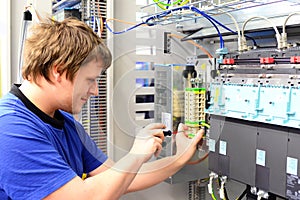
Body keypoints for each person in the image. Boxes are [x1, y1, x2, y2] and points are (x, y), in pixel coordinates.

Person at [0, 18, 203, 200]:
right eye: (90, 80)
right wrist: (136, 154)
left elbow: (118, 178)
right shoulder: (9, 129)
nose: (95, 91)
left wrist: (179, 157)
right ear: (59, 71)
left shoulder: (64, 122)